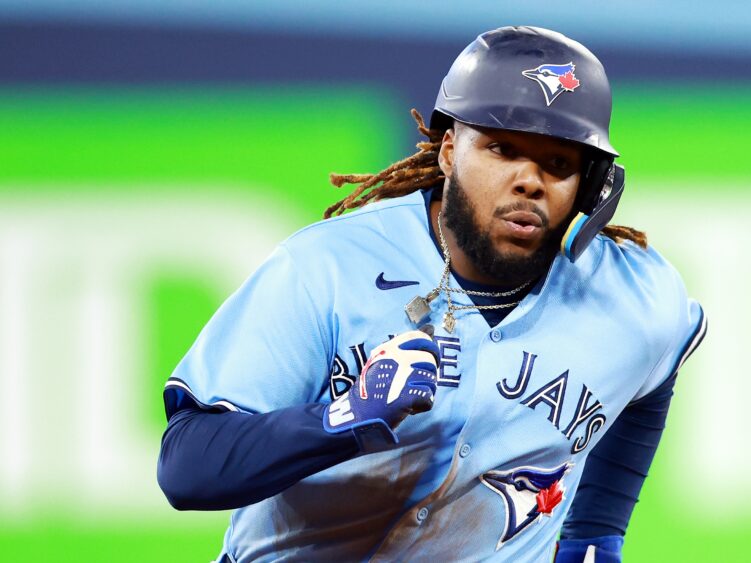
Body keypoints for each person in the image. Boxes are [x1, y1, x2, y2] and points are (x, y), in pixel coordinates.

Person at [157, 25, 706, 562]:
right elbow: (187, 468)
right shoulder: (326, 268)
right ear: (448, 152)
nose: (529, 180)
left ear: (590, 186)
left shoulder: (633, 297)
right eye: (501, 147)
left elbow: (656, 365)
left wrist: (597, 531)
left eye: (557, 163)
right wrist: (343, 418)